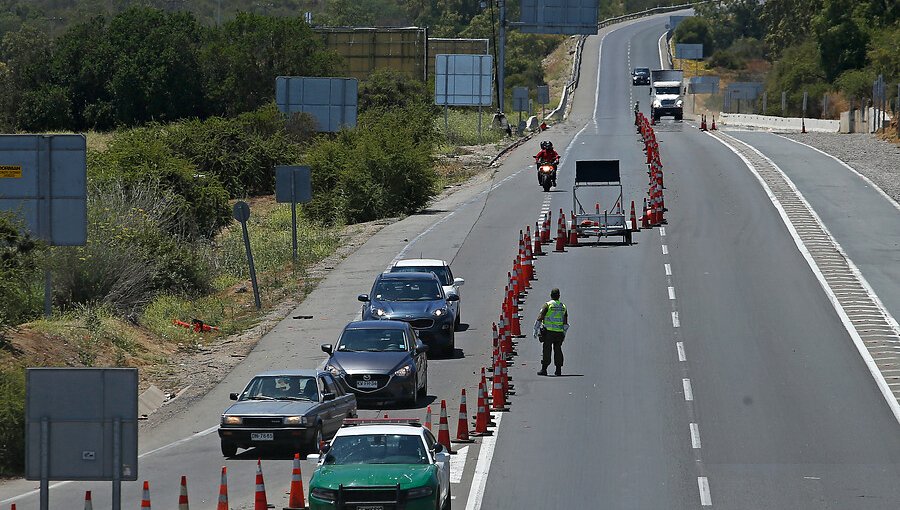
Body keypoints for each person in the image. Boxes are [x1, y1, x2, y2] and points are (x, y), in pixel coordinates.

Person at [535, 288, 568, 376]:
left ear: (551, 295)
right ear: (559, 296)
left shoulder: (547, 305)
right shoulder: (563, 306)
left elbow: (540, 317)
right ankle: (558, 370)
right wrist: (564, 333)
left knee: (547, 350)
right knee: (558, 350)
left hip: (549, 332)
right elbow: (565, 322)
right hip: (559, 332)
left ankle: (544, 369)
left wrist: (536, 329)